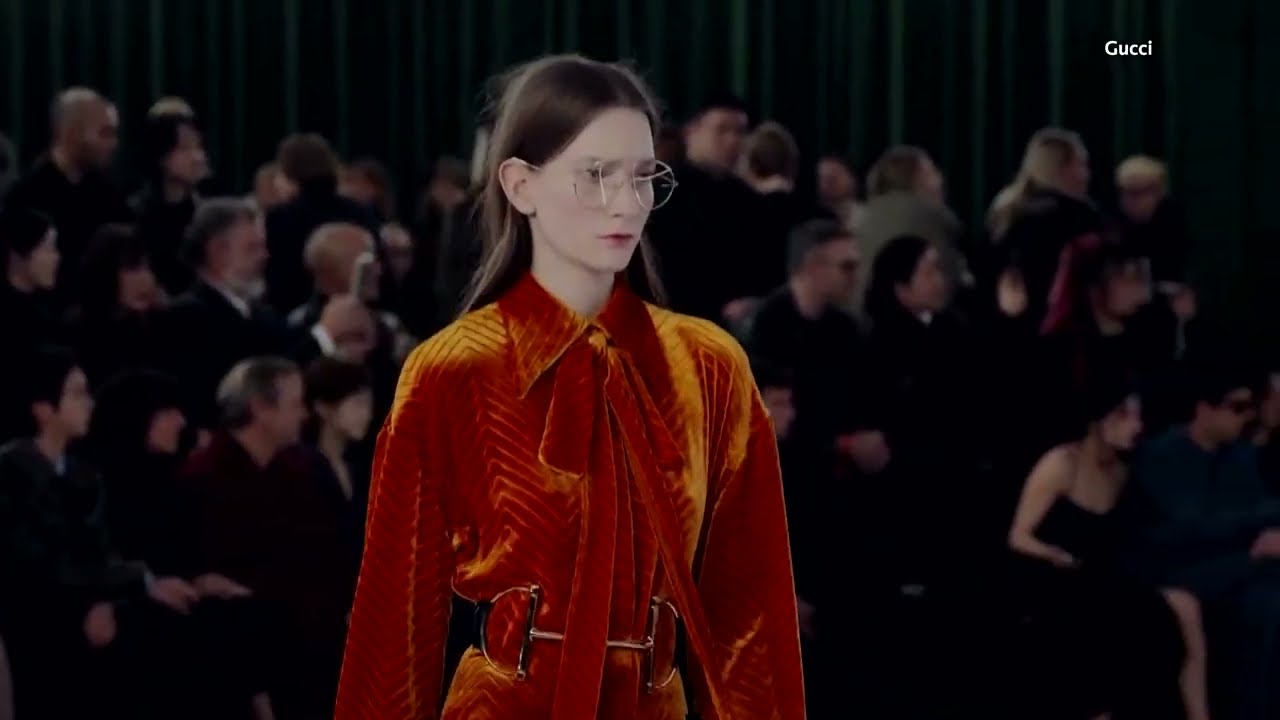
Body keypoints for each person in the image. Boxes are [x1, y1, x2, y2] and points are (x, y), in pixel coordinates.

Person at [336, 54, 805, 720]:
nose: (627, 202)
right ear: (520, 185)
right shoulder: (454, 370)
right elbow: (395, 624)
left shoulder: (708, 367)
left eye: (643, 177)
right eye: (595, 175)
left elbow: (751, 620)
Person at [1007, 378, 1206, 720]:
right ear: (1098, 419)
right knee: (1102, 621)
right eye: (1124, 416)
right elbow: (1018, 536)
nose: (1136, 426)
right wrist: (1055, 555)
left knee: (1180, 608)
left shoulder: (1123, 473)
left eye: (1138, 417)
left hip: (1104, 577)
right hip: (1055, 576)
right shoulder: (1061, 463)